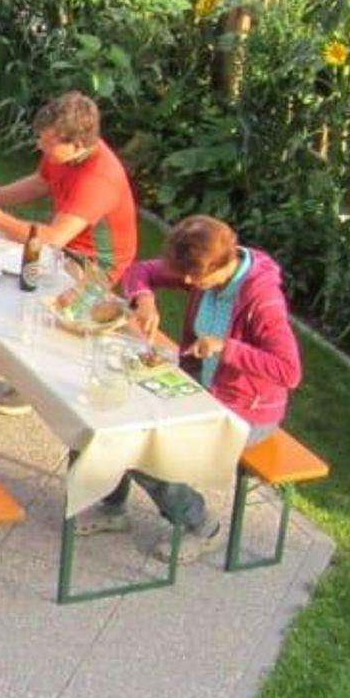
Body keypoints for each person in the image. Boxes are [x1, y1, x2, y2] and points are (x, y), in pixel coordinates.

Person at [73, 214, 302, 561]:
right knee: (111, 412)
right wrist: (144, 298)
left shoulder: (263, 299)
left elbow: (289, 370)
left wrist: (226, 348)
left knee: (143, 450)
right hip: (198, 389)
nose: (186, 282)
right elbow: (140, 271)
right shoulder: (204, 270)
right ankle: (113, 507)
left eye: (194, 277)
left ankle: (202, 526)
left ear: (219, 266)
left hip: (245, 413)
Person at [0, 91, 139, 280]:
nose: (40, 146)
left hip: (93, 264)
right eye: (41, 138)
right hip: (65, 244)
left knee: (25, 284)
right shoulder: (60, 155)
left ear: (78, 145)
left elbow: (53, 239)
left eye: (48, 142)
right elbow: (40, 183)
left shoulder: (98, 180)